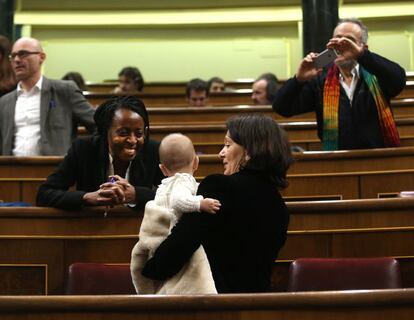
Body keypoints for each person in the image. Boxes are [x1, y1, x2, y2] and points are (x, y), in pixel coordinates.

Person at [141, 114, 293, 293]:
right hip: (259, 307)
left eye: (228, 145)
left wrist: (149, 270)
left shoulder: (220, 186)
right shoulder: (279, 205)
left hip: (214, 306)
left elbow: (180, 245)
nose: (221, 153)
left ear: (249, 152)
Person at [273, 18, 406, 150]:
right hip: (336, 160)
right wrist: (298, 79)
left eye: (349, 41)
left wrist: (362, 56)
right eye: (338, 39)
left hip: (380, 158)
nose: (342, 45)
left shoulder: (377, 74)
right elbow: (282, 107)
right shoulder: (320, 80)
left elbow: (398, 80)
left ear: (363, 48)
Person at [36, 95, 164, 211]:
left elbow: (176, 195)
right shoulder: (84, 149)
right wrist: (87, 198)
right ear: (105, 132)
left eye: (139, 134)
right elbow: (45, 194)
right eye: (123, 133)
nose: (132, 140)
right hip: (91, 229)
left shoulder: (153, 150)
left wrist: (136, 195)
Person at [131, 133, 220, 295]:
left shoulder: (165, 185)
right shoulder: (184, 180)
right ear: (196, 162)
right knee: (189, 277)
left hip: (157, 242)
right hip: (169, 235)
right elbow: (179, 201)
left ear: (163, 169)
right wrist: (200, 203)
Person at [0, 37, 96, 156]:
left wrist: (84, 160)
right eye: (13, 56)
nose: (17, 60)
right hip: (13, 170)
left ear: (41, 57)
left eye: (23, 54)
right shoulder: (4, 101)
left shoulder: (64, 91)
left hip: (54, 169)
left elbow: (98, 125)